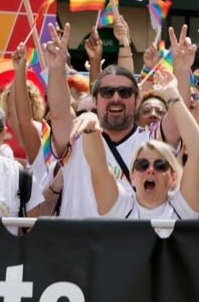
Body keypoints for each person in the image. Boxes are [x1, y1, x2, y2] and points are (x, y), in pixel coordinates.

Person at [43, 23, 178, 218]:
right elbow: (59, 114)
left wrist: (182, 70)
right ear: (95, 99)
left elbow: (178, 122)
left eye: (124, 92)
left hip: (129, 238)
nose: (116, 98)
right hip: (77, 238)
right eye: (107, 92)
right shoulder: (75, 137)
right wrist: (56, 68)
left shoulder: (151, 142)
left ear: (137, 99)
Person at [85, 71, 199, 220]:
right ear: (132, 176)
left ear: (173, 177)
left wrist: (172, 95)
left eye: (160, 165)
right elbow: (98, 166)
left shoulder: (183, 207)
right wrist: (89, 127)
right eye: (142, 165)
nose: (150, 170)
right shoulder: (121, 208)